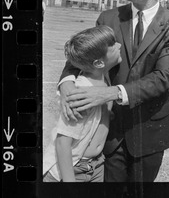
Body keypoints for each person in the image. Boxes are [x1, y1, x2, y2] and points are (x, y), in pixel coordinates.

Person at [58, 0, 169, 182]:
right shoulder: (108, 18)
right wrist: (67, 84)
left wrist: (107, 93)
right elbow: (79, 56)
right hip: (110, 134)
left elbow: (163, 77)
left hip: (149, 133)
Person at [43, 25, 122, 182]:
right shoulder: (81, 93)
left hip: (96, 165)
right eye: (113, 45)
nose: (119, 45)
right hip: (73, 168)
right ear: (99, 63)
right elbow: (62, 143)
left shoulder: (102, 77)